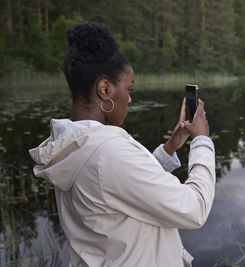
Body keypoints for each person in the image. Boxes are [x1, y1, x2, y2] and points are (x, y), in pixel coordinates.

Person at [29, 21, 215, 267]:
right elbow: (194, 208)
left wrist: (170, 147)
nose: (129, 99)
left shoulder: (73, 144)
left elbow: (118, 185)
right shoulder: (107, 154)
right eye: (128, 89)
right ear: (105, 89)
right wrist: (202, 141)